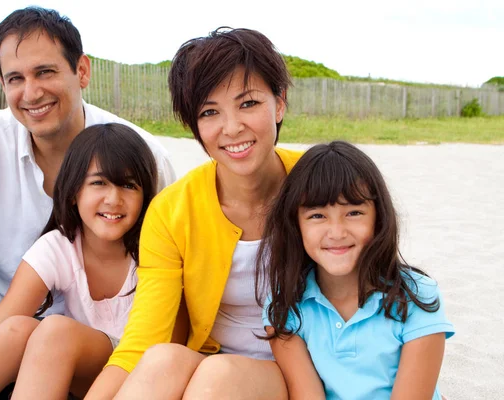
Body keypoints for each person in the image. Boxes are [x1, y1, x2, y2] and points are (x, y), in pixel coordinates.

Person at [0, 7, 175, 397]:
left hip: (102, 356)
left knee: (46, 340)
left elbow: (179, 265)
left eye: (45, 72)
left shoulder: (138, 153)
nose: (31, 93)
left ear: (81, 71)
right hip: (3, 323)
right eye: (16, 78)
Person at [85, 27, 299, 399]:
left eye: (248, 103)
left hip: (304, 372)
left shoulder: (324, 181)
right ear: (193, 124)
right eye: (210, 112)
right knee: (162, 359)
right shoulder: (172, 210)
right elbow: (143, 339)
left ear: (279, 103)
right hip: (212, 365)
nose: (232, 128)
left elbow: (383, 290)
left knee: (217, 376)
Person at [0, 123, 163, 399]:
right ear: (74, 192)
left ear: (145, 195)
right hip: (80, 375)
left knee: (56, 330)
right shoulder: (60, 247)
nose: (113, 199)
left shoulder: (156, 249)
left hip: (142, 373)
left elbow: (168, 347)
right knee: (16, 328)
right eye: (99, 183)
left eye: (128, 185)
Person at [259, 141, 455, 399]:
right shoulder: (285, 307)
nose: (337, 232)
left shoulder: (417, 298)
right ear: (295, 225)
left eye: (353, 212)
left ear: (379, 218)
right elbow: (308, 395)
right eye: (317, 216)